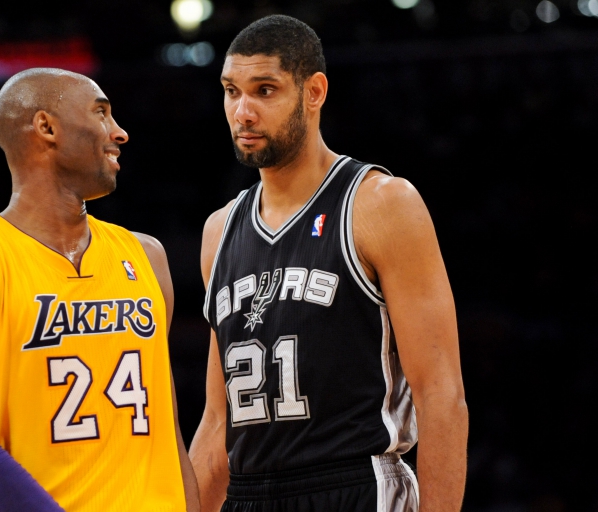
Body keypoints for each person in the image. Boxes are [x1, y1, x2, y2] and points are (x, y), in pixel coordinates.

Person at [189, 15, 467, 512]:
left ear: (313, 91)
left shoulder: (379, 204)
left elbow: (441, 395)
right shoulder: (219, 231)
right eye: (232, 92)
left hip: (356, 484)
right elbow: (216, 423)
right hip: (249, 494)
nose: (243, 112)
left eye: (265, 90)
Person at [0, 68, 200, 512]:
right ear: (46, 127)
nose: (119, 133)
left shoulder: (146, 256)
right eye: (101, 113)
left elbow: (167, 433)